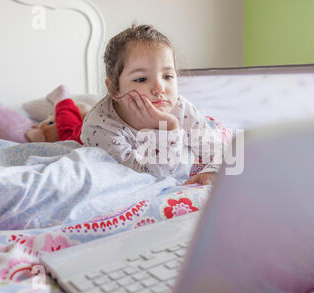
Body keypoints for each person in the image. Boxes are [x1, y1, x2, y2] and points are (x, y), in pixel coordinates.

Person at [80, 24, 223, 185]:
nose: (159, 89)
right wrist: (168, 128)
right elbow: (146, 180)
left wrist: (212, 171)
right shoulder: (100, 126)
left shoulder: (181, 109)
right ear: (114, 89)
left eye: (167, 76)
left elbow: (220, 153)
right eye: (141, 79)